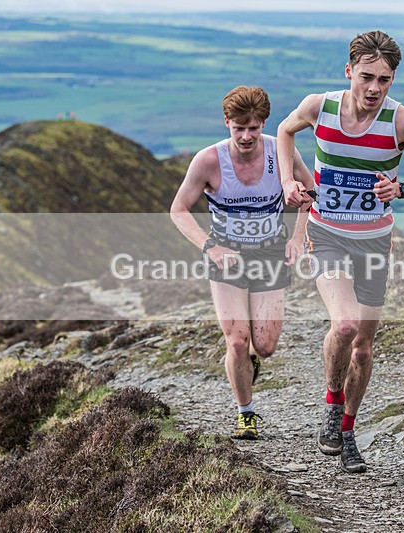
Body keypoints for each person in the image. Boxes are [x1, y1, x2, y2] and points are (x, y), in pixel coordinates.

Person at [276, 30, 404, 473]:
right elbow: (284, 131)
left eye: (384, 80)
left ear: (393, 80)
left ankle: (348, 432)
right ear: (349, 71)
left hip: (373, 241)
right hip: (327, 233)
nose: (373, 88)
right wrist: (288, 182)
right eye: (366, 77)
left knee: (364, 349)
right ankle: (333, 404)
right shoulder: (319, 107)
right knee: (345, 324)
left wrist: (401, 188)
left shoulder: (403, 122)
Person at [170, 86, 313, 440]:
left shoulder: (281, 153)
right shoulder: (208, 160)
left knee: (264, 345)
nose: (246, 136)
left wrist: (297, 238)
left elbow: (311, 192)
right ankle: (245, 413)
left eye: (253, 128)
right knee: (236, 340)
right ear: (226, 123)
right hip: (227, 256)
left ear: (263, 123)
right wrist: (210, 247)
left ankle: (250, 361)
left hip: (269, 254)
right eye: (238, 128)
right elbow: (178, 209)